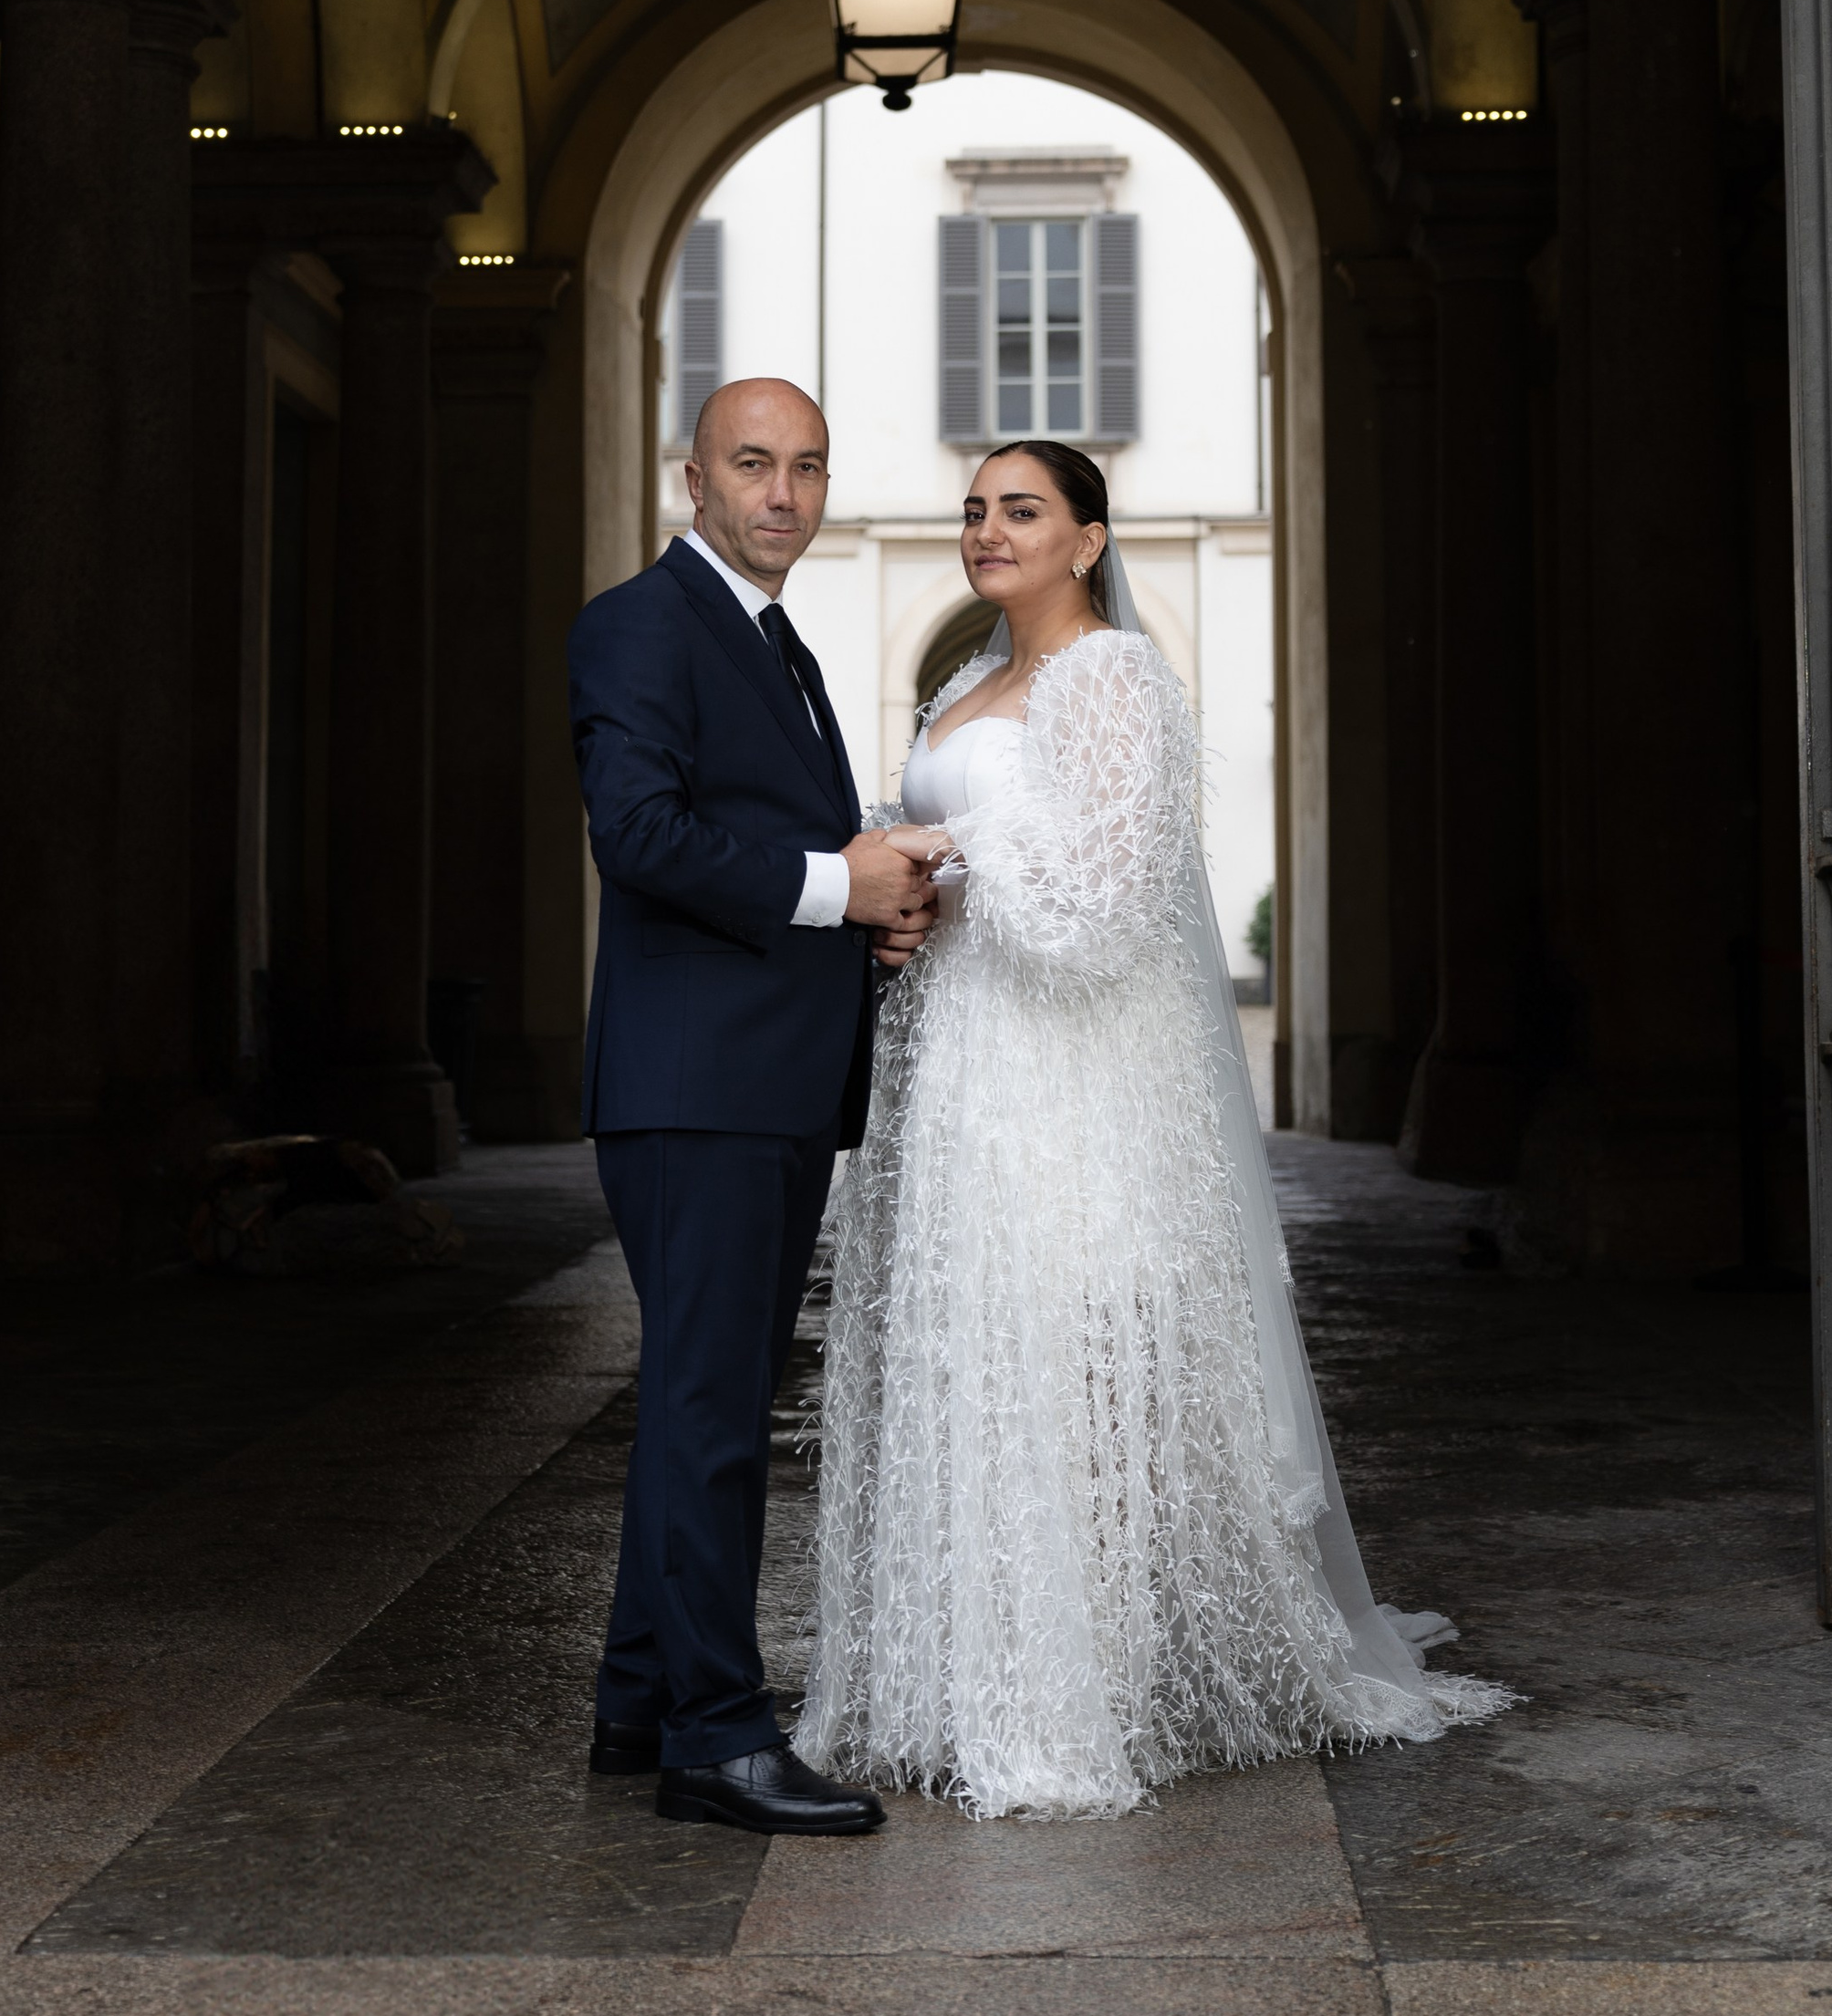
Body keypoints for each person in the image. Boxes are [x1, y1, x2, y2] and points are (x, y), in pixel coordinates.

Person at [801, 439, 1515, 1820]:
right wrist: (895, 884)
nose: (988, 530)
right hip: (957, 1074)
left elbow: (1106, 897)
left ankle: (1078, 1693)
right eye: (974, 511)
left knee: (1070, 1362)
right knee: (972, 1351)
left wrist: (949, 856)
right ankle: (959, 1678)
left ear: (1086, 538)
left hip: (1069, 1082)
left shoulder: (1114, 675)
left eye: (1023, 509)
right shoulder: (964, 688)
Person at [567, 376, 934, 1836]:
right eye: (753, 464)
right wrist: (838, 885)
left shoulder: (768, 638)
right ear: (691, 477)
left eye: (807, 467)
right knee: (712, 1410)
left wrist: (870, 902)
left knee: (696, 1400)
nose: (783, 493)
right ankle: (718, 1736)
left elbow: (769, 831)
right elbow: (639, 833)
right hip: (695, 1085)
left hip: (758, 1080)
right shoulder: (641, 623)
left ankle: (639, 1699)